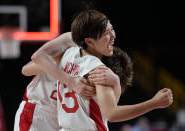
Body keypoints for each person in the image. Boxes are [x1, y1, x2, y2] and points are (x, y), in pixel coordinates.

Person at [31, 10, 173, 131]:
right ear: (90, 42)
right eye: (106, 33)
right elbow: (112, 114)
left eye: (112, 29)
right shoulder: (98, 70)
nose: (113, 36)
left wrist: (115, 83)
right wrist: (154, 103)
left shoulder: (69, 54)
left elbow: (34, 61)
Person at [14, 32, 124, 131]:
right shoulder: (71, 46)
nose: (111, 38)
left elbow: (109, 113)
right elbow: (26, 69)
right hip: (38, 111)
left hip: (65, 120)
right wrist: (63, 65)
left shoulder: (96, 69)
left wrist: (116, 82)